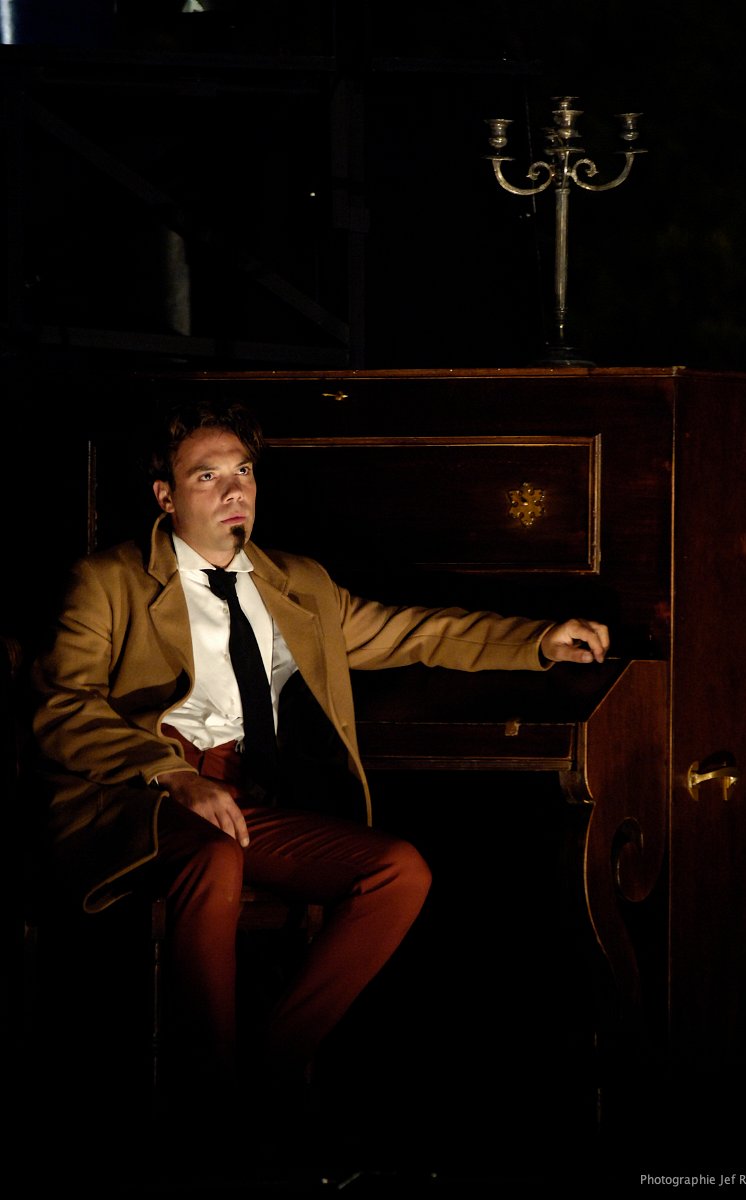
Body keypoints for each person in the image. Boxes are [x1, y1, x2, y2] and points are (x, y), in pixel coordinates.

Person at [31, 397, 609, 1149]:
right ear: (165, 497)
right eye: (207, 476)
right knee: (215, 855)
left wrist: (538, 641)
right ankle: (205, 1105)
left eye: (243, 472)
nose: (234, 491)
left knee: (397, 871)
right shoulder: (107, 580)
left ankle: (267, 1073)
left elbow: (413, 631)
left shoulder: (296, 584)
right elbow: (62, 708)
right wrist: (169, 774)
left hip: (241, 798)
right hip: (136, 797)